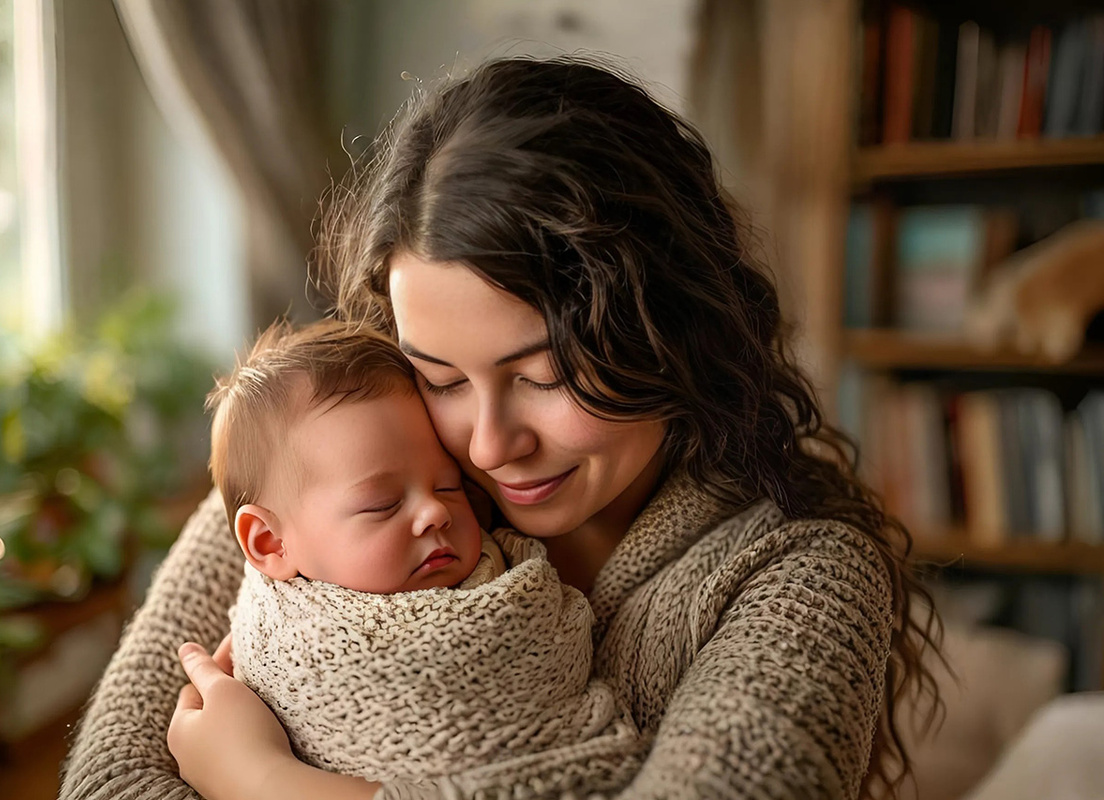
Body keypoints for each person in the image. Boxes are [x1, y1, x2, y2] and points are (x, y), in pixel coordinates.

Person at [59, 55, 940, 800]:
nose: (485, 448)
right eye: (439, 377)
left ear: (670, 327)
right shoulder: (328, 466)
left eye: (543, 377)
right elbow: (109, 779)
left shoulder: (805, 577)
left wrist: (266, 783)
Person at [209, 318, 642, 792]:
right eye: (383, 504)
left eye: (449, 485)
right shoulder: (283, 639)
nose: (436, 511)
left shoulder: (516, 583)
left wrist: (259, 778)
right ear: (269, 543)